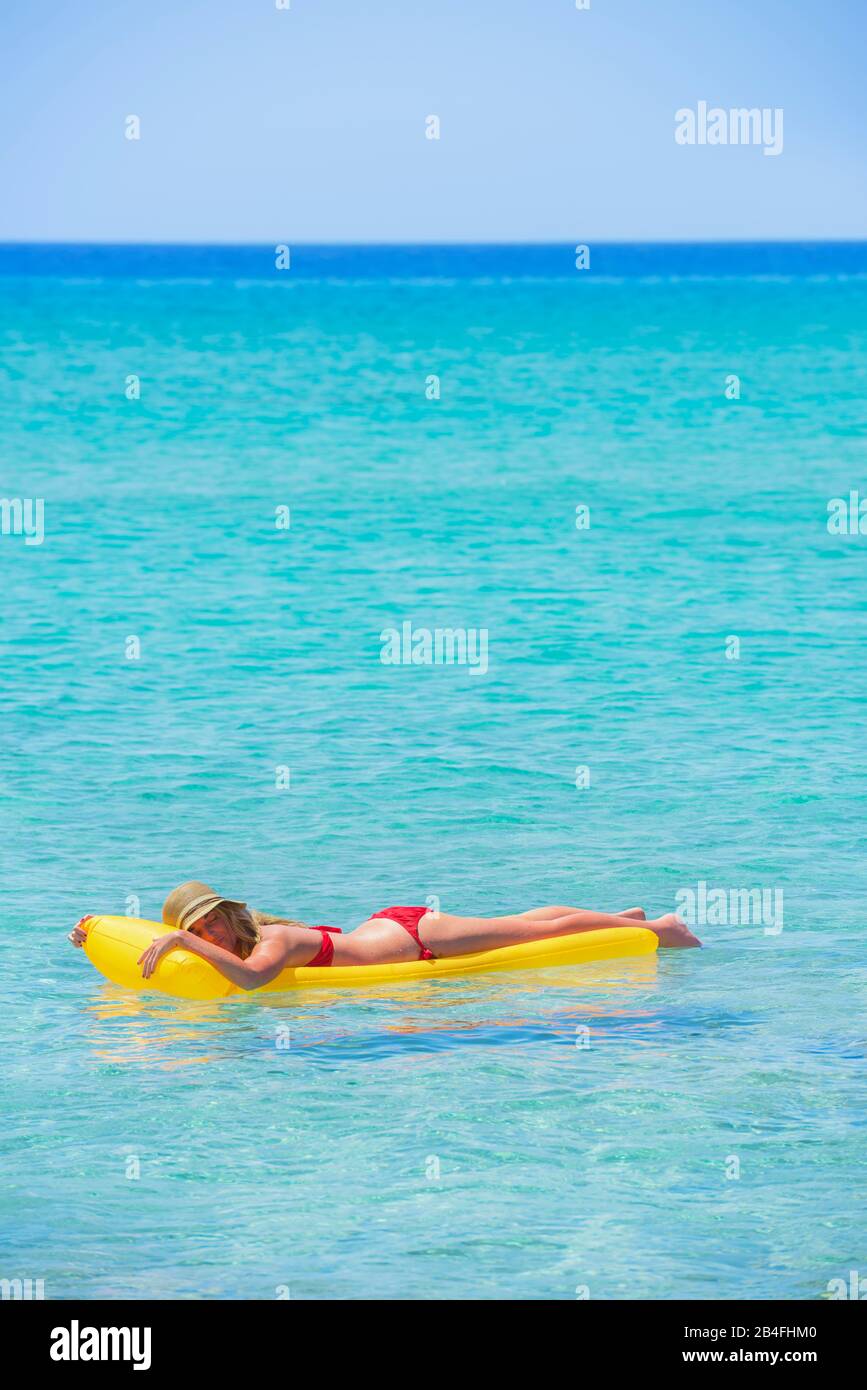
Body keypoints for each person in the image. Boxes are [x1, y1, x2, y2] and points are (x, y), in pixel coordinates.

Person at [67, 880, 700, 990]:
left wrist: (180, 944)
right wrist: (93, 937)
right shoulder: (253, 937)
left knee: (534, 933)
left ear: (229, 918)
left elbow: (256, 982)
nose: (207, 934)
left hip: (416, 936)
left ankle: (655, 930)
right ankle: (628, 913)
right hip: (392, 928)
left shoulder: (270, 945)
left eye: (210, 924)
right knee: (531, 920)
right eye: (194, 929)